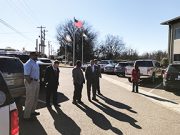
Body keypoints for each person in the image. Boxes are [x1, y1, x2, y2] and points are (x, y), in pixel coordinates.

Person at [23, 52, 40, 120]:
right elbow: (26, 75)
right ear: (31, 56)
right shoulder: (28, 63)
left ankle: (32, 111)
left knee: (35, 98)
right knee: (30, 99)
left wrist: (37, 81)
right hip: (31, 82)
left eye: (36, 55)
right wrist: (30, 83)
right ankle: (26, 116)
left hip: (36, 82)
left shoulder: (35, 62)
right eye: (35, 55)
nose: (36, 56)